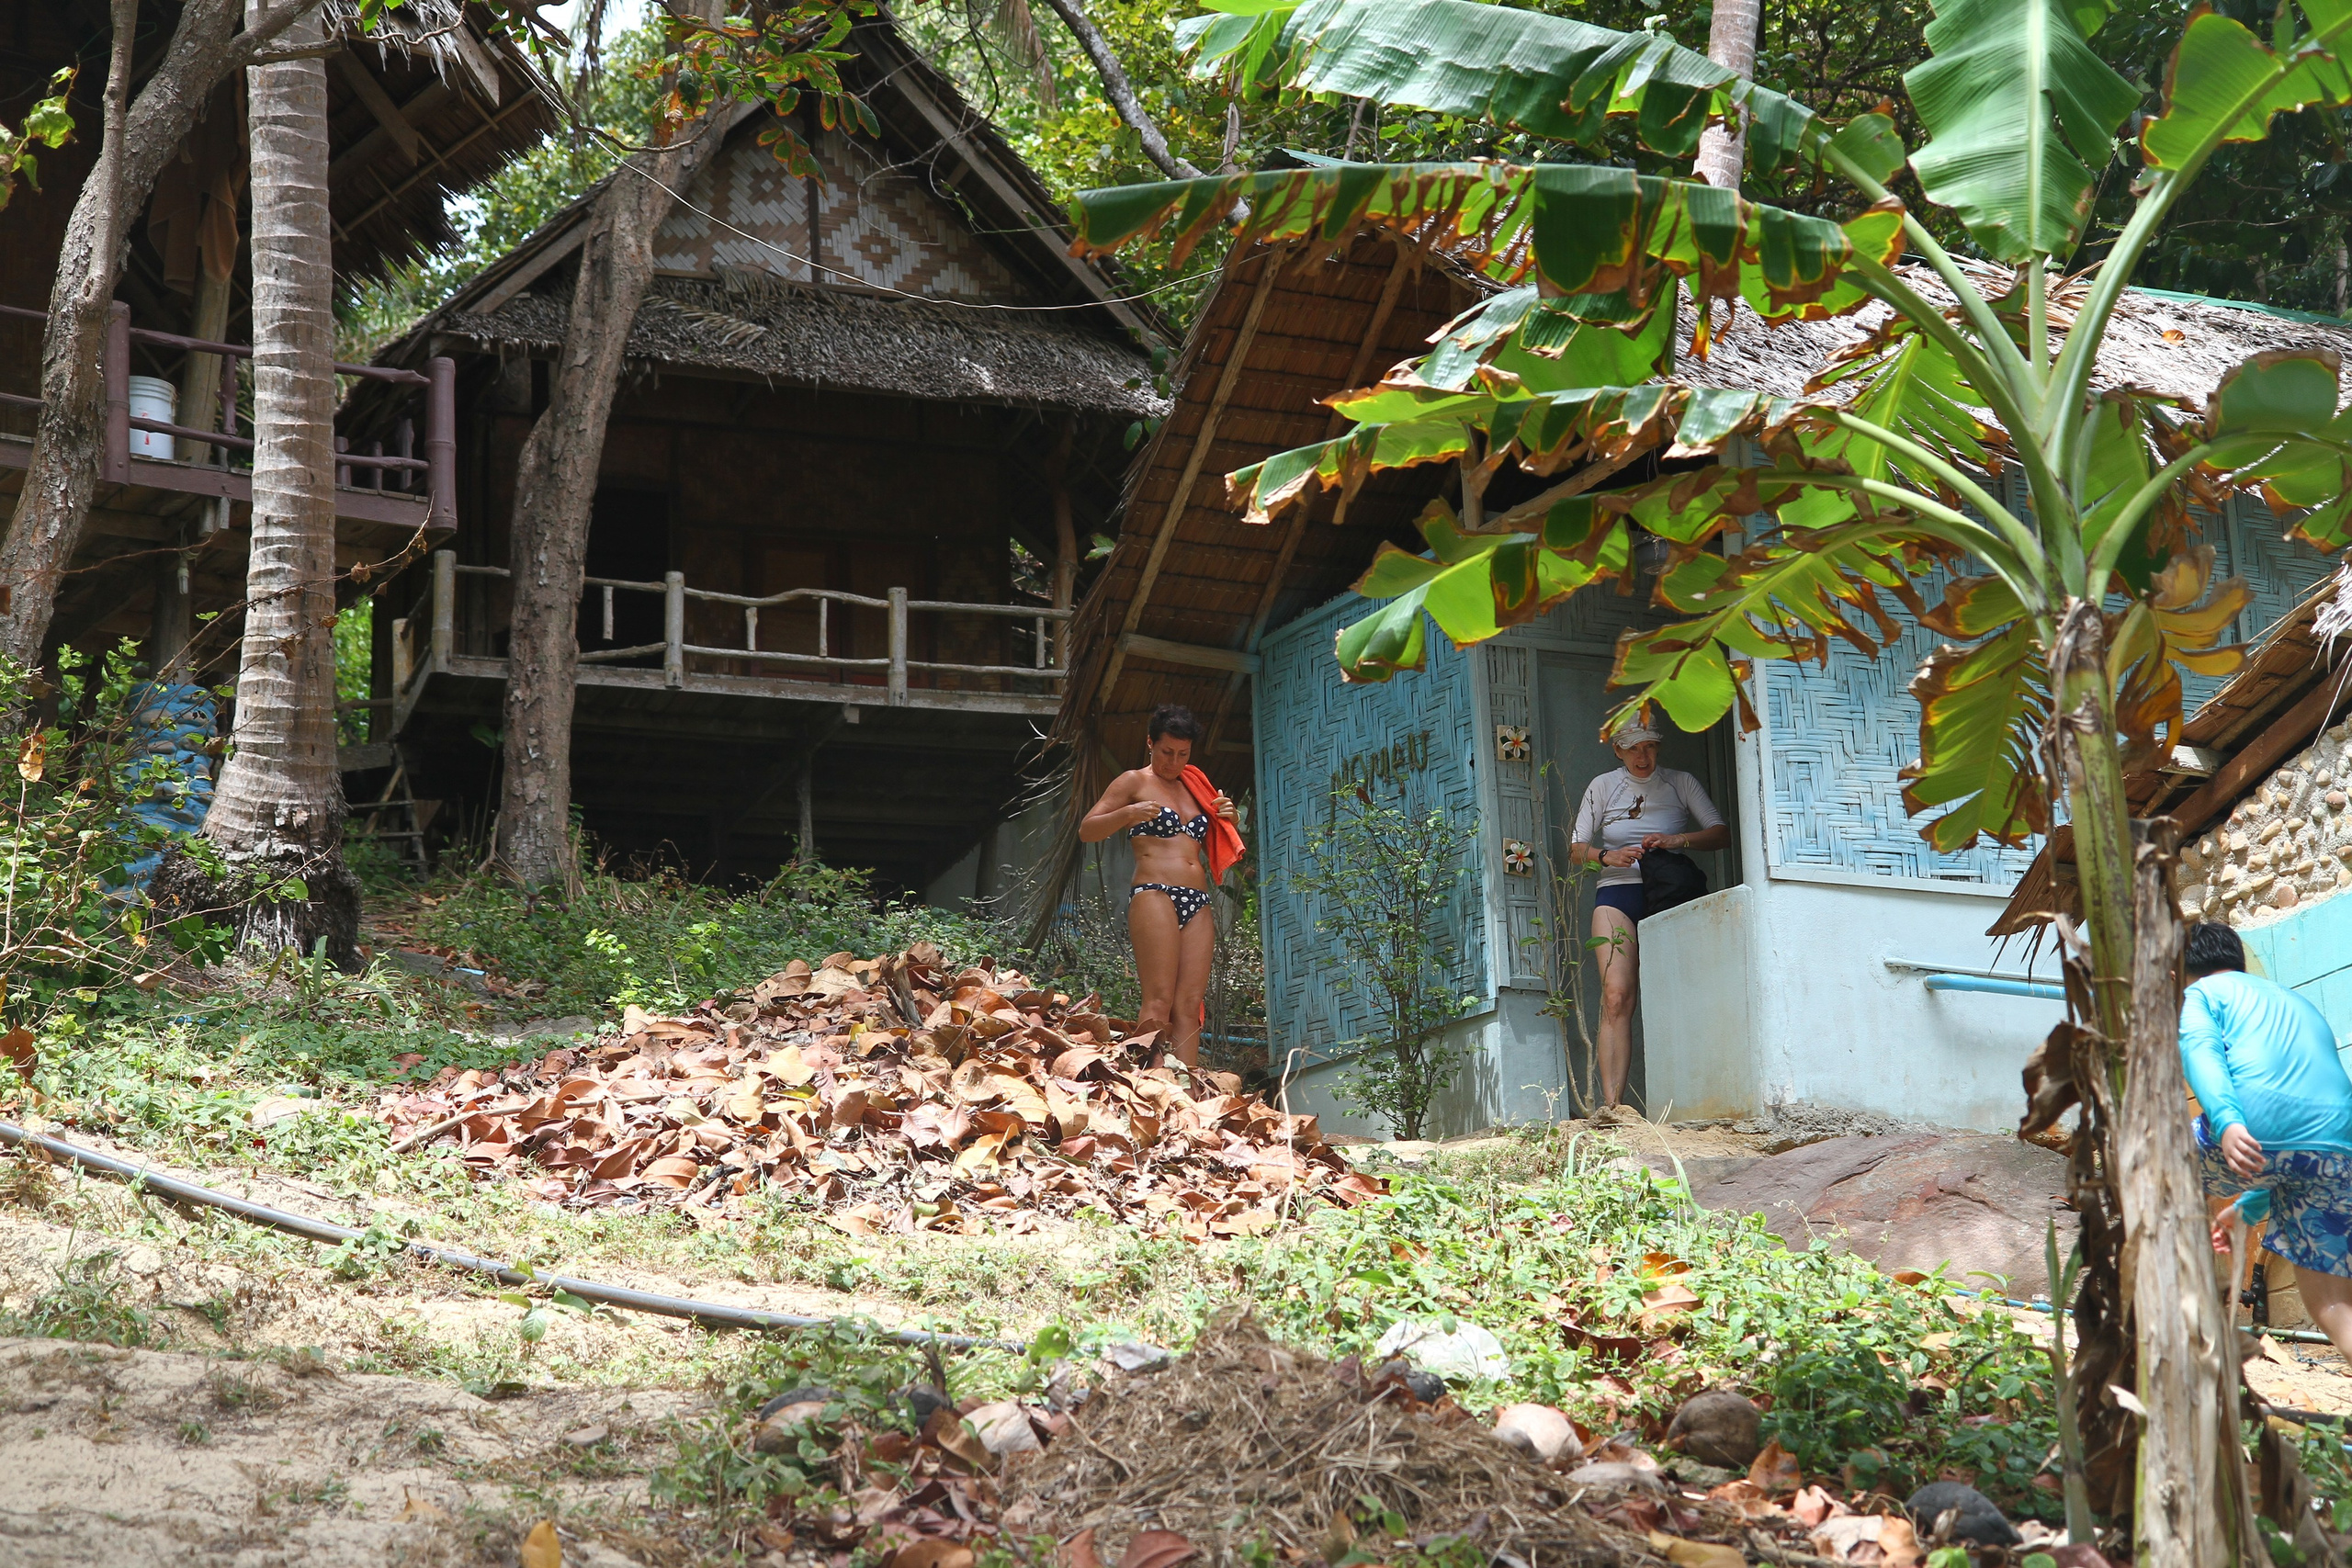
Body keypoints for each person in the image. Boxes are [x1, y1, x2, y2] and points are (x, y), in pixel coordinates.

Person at [2180, 920, 2352, 1362]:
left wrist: (2227, 1121)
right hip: (2338, 1151)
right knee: (2333, 1303)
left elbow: (2201, 1052)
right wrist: (2246, 1209)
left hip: (2251, 1128)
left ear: (2183, 970)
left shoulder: (2201, 995)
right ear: (2237, 961)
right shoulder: (2299, 1001)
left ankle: (2179, 1313)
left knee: (2162, 1161)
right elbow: (2294, 1155)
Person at [1566, 720, 1728, 1112]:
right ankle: (1612, 1108)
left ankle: (1697, 1104)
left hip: (1672, 894)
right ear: (1618, 751)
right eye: (1633, 748)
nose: (1643, 757)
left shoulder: (1680, 781)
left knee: (1683, 997)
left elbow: (1720, 833)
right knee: (1616, 996)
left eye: (1650, 747)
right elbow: (1576, 848)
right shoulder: (1603, 785)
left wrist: (1677, 840)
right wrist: (1608, 856)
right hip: (1617, 892)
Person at [1077, 705, 1242, 1067]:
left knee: (1188, 1003)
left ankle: (1188, 1093)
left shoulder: (1195, 785)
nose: (1174, 761)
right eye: (1167, 752)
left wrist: (1228, 817)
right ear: (1150, 743)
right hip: (1155, 892)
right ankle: (1145, 1086)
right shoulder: (1133, 781)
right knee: (1159, 998)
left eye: (1183, 754)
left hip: (1197, 899)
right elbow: (1088, 829)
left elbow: (1216, 836)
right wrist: (1127, 815)